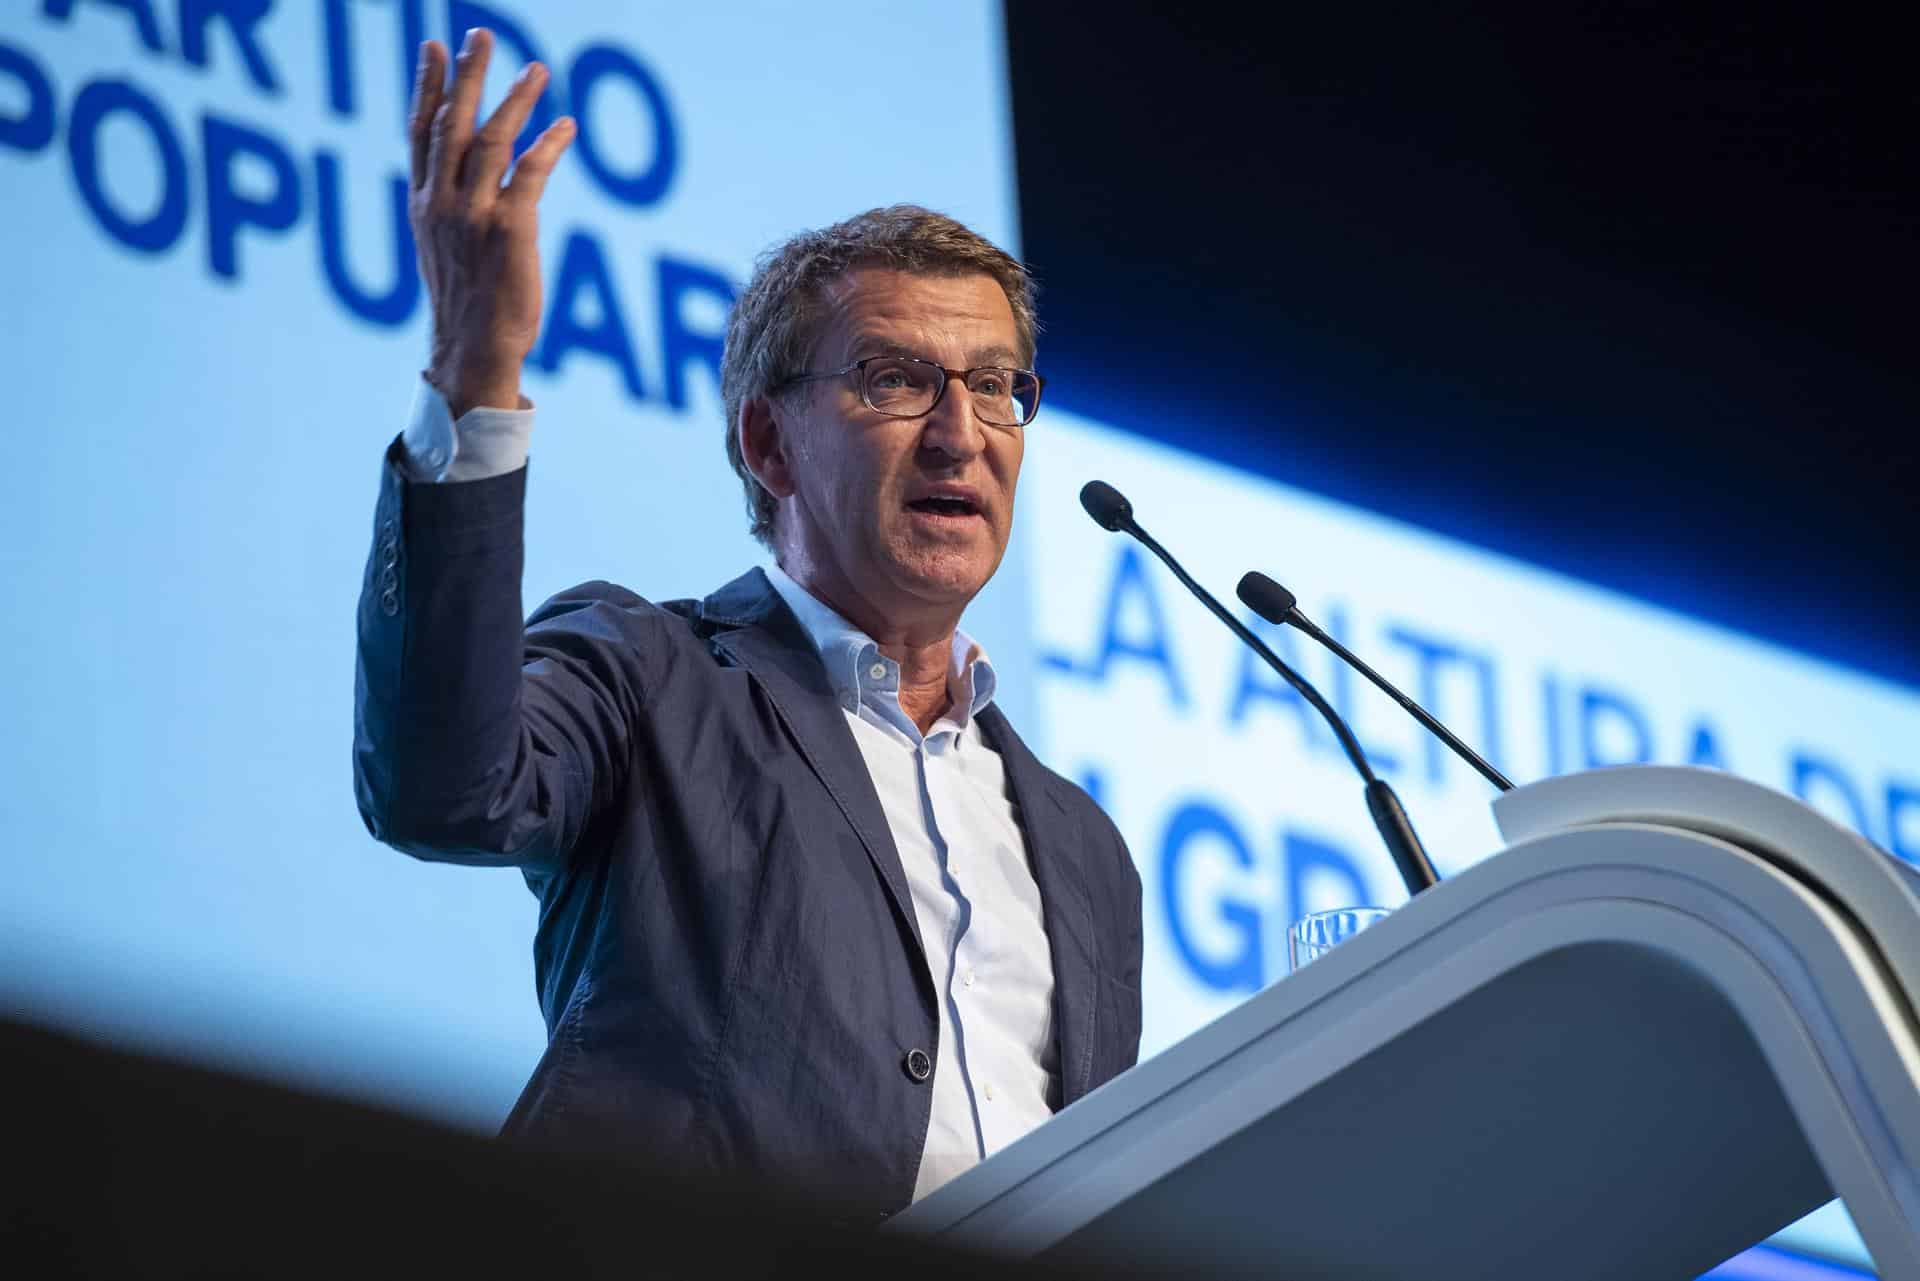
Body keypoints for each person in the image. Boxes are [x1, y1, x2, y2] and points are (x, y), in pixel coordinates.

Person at [353, 29, 1142, 1220]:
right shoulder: (649, 674)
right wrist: (477, 365)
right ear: (767, 444)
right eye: (894, 380)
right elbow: (439, 789)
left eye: (995, 386)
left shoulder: (1084, 848)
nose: (960, 431)